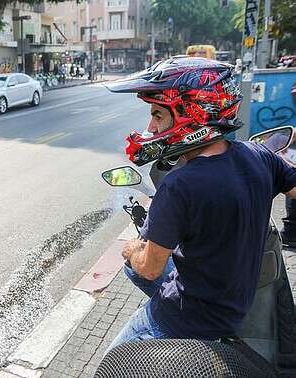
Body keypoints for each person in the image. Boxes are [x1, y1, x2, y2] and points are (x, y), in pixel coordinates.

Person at [103, 56, 296, 351]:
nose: (151, 128)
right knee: (133, 267)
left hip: (190, 317)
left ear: (190, 115)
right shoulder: (260, 156)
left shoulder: (179, 186)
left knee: (113, 358)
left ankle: (158, 325)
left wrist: (132, 249)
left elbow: (151, 269)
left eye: (157, 115)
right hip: (236, 303)